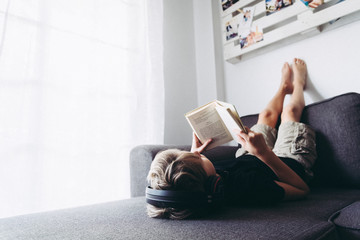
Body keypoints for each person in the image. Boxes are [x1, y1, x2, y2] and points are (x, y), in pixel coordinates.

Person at [147, 58, 317, 220]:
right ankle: (299, 84)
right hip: (287, 163)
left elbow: (183, 187)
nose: (196, 154)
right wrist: (264, 152)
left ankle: (284, 86)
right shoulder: (250, 188)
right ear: (212, 184)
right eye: (196, 158)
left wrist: (191, 158)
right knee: (290, 112)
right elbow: (302, 189)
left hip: (249, 157)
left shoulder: (200, 183)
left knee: (265, 115)